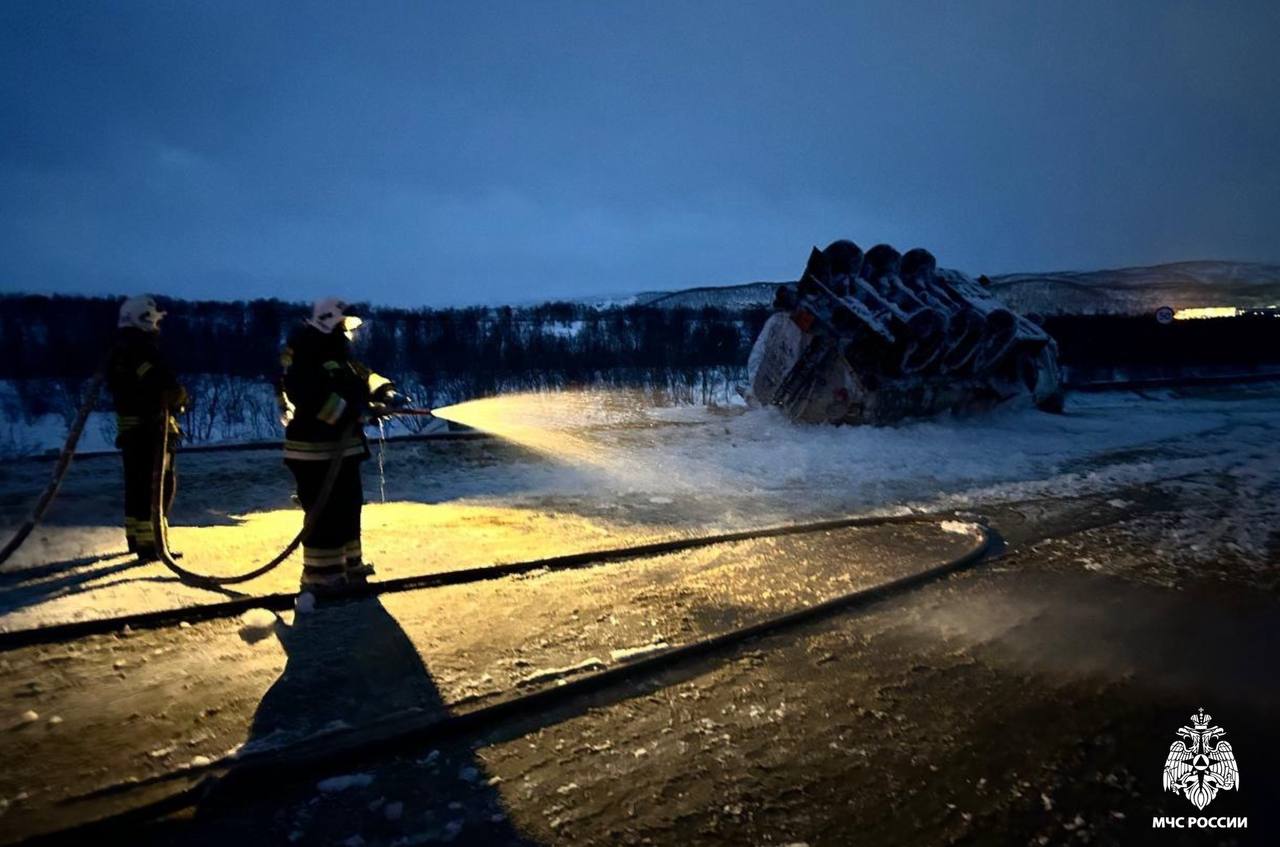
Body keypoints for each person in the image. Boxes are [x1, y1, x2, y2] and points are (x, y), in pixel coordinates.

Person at [278, 298, 409, 594]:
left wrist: (387, 391)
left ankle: (349, 567)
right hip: (313, 451)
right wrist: (355, 412)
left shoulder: (337, 353)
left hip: (343, 449)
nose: (347, 331)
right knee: (325, 513)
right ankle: (321, 577)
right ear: (328, 321)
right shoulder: (303, 353)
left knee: (348, 507)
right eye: (342, 324)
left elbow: (362, 376)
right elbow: (307, 395)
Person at [106, 295, 187, 561]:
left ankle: (137, 540)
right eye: (154, 320)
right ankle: (153, 546)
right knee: (159, 488)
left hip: (131, 432)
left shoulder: (120, 350)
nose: (157, 326)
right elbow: (163, 385)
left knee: (137, 487)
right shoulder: (143, 350)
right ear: (144, 319)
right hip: (151, 431)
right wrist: (179, 396)